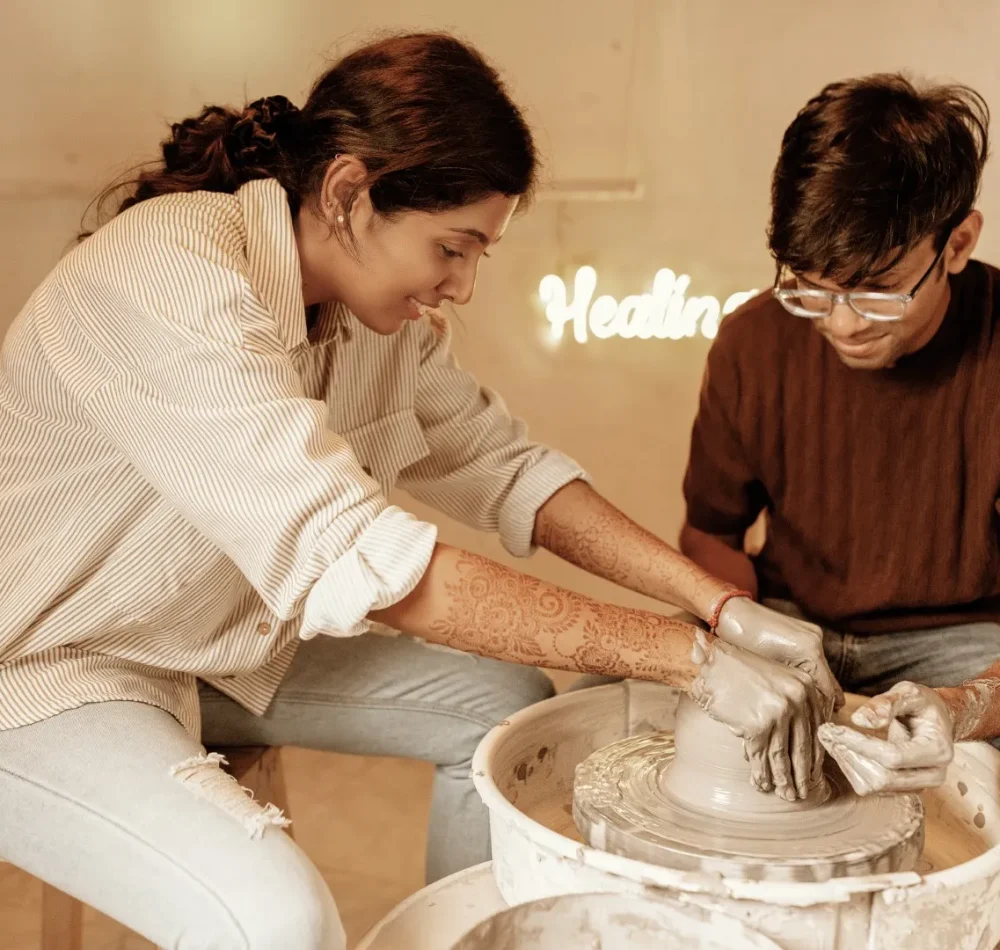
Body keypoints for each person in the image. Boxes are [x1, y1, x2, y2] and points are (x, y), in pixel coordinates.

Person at [0, 32, 833, 949]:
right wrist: (693, 664)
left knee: (508, 703)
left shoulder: (371, 323)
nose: (462, 286)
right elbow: (377, 568)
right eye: (452, 248)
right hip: (46, 659)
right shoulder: (172, 275)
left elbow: (511, 471)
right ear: (348, 192)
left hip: (206, 632)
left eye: (478, 255)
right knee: (278, 921)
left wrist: (718, 608)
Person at [679, 73, 1000, 799]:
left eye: (878, 289)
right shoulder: (753, 339)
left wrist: (963, 705)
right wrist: (743, 634)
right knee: (615, 699)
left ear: (957, 243)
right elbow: (709, 535)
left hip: (963, 640)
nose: (842, 323)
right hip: (787, 618)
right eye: (812, 287)